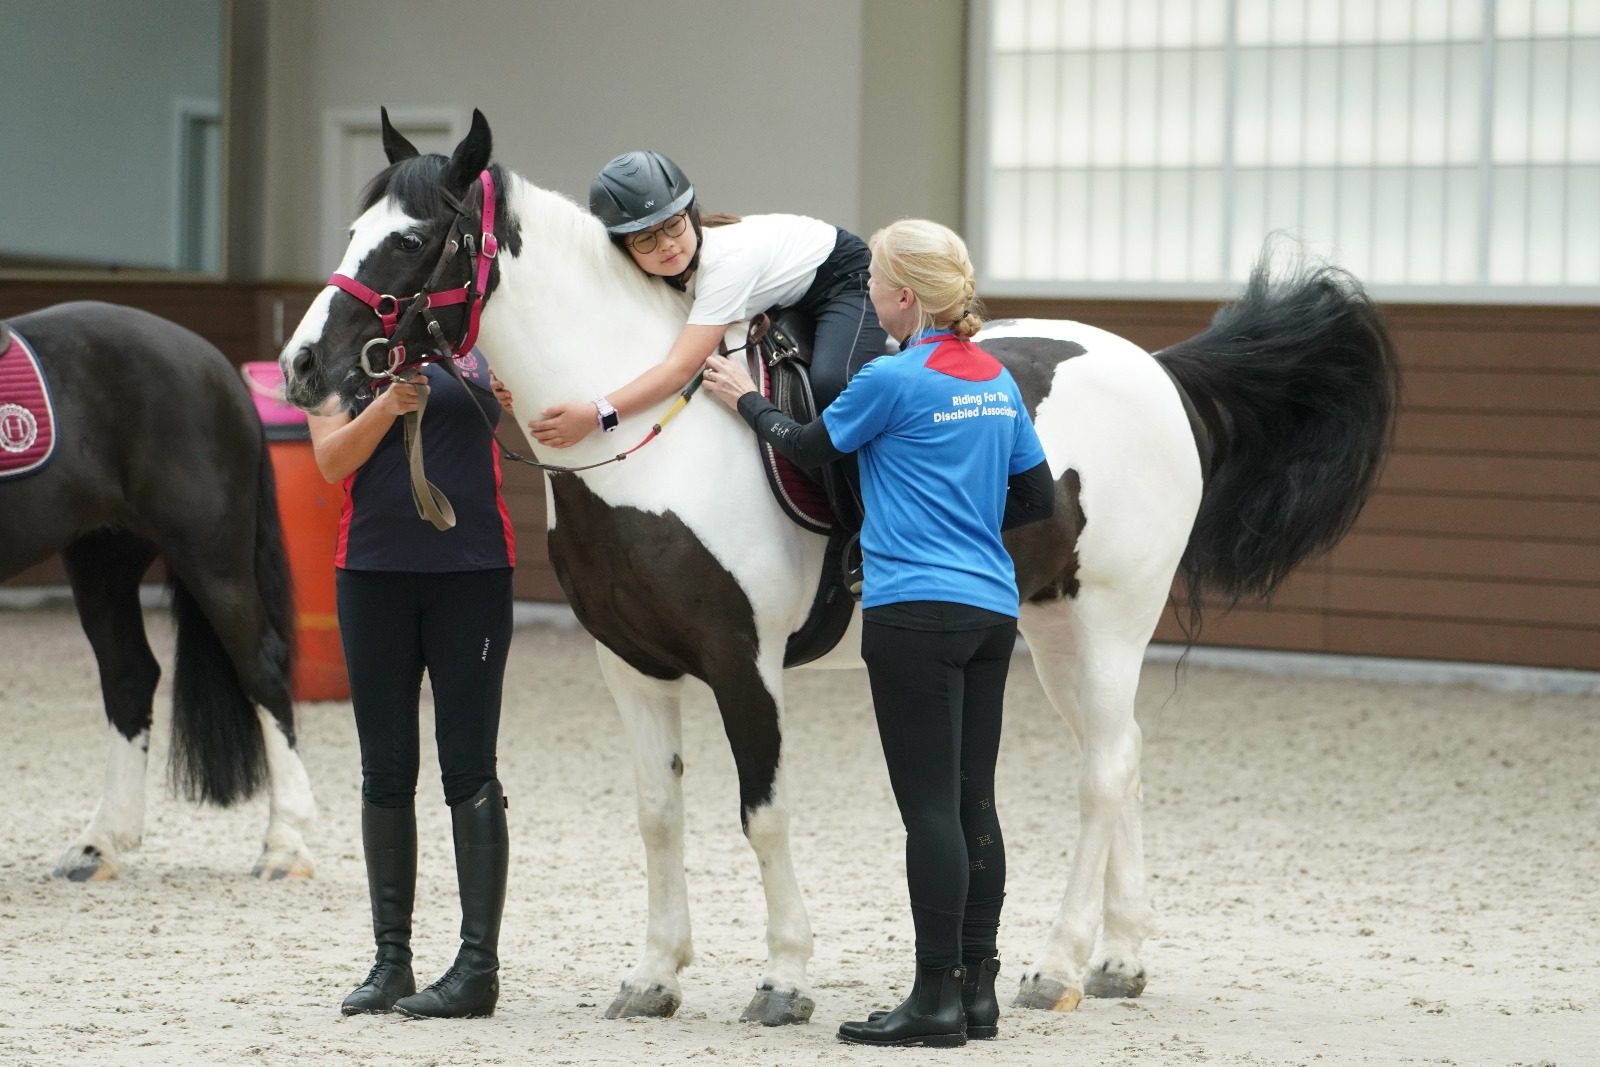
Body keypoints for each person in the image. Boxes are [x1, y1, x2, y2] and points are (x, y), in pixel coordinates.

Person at [702, 219, 1056, 1048]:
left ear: (903, 296)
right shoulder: (994, 379)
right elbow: (1035, 499)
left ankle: (933, 999)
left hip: (911, 612)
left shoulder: (890, 379)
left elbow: (807, 444)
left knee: (927, 807)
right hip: (989, 611)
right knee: (974, 798)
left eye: (873, 288)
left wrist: (741, 396)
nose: (865, 299)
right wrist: (965, 519)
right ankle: (978, 991)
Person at [307, 349, 516, 1020]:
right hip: (372, 573)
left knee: (470, 766)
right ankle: (391, 961)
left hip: (474, 570)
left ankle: (477, 967)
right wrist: (387, 405)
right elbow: (331, 460)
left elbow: (530, 414)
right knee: (386, 767)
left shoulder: (483, 342)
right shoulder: (329, 354)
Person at [527, 149, 886, 450]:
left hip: (842, 277)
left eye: (673, 224)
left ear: (692, 215)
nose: (666, 245)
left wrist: (597, 415)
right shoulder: (665, 265)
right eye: (646, 238)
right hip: (789, 287)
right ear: (625, 249)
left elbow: (680, 368)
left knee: (833, 382)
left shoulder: (725, 264)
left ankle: (862, 507)